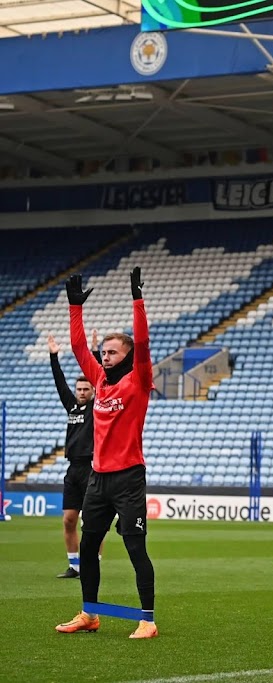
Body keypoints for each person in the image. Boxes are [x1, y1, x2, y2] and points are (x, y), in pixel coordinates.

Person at [56, 267, 157, 639]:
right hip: (97, 478)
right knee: (88, 545)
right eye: (105, 352)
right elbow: (79, 348)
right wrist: (74, 307)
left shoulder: (140, 381)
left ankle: (147, 619)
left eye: (113, 352)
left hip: (129, 477)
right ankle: (90, 613)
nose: (106, 355)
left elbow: (143, 344)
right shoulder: (99, 380)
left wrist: (138, 299)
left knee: (135, 547)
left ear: (128, 355)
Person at [48, 332, 101, 579]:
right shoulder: (71, 405)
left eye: (85, 388)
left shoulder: (96, 406)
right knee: (69, 520)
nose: (81, 391)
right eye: (79, 388)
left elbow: (102, 379)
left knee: (91, 522)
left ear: (92, 390)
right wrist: (53, 356)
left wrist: (95, 352)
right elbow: (60, 382)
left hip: (92, 467)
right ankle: (75, 566)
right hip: (73, 469)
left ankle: (93, 564)